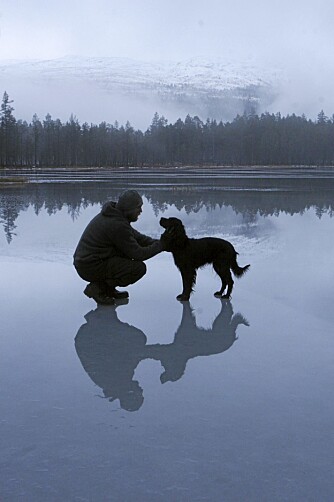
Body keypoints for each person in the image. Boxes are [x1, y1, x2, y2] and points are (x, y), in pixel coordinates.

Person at [73, 190, 165, 304]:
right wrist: (161, 245)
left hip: (90, 262)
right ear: (129, 208)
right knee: (137, 269)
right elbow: (138, 254)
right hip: (90, 266)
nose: (140, 211)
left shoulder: (116, 216)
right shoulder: (117, 224)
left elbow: (138, 238)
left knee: (123, 254)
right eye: (138, 207)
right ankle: (98, 288)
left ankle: (108, 290)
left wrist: (162, 243)